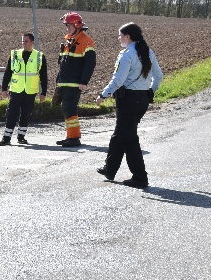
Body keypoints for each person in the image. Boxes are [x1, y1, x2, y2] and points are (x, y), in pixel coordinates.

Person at [95, 22, 163, 188]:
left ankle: (140, 178)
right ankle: (110, 169)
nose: (119, 38)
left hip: (128, 101)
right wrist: (150, 92)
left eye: (120, 35)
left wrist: (103, 94)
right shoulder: (147, 51)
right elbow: (159, 76)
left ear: (128, 36)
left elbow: (118, 80)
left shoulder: (128, 55)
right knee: (120, 134)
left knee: (129, 139)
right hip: (142, 100)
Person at [54, 12, 96, 147]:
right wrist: (58, 81)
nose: (67, 28)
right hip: (65, 81)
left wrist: (84, 81)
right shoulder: (68, 40)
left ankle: (74, 138)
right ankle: (70, 136)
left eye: (69, 25)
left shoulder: (85, 40)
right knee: (66, 109)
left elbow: (90, 64)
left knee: (69, 108)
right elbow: (63, 64)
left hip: (75, 82)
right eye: (66, 25)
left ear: (77, 25)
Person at [0, 32, 48, 145]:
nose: (24, 43)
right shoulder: (15, 54)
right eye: (22, 41)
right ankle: (6, 138)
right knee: (11, 113)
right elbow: (8, 72)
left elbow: (44, 76)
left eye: (26, 41)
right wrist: (4, 88)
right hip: (16, 89)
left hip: (30, 90)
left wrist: (43, 92)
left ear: (32, 42)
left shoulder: (39, 56)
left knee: (25, 114)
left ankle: (21, 136)